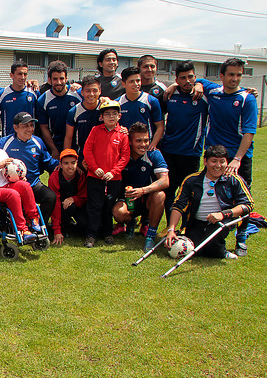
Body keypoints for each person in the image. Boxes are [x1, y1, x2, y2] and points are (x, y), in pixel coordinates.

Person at [195, 58, 257, 256]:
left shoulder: (248, 99)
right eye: (231, 74)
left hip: (239, 156)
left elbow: (249, 133)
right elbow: (201, 82)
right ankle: (204, 229)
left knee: (242, 197)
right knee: (209, 192)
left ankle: (241, 237)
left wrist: (237, 159)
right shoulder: (213, 92)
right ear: (222, 76)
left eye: (239, 75)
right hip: (214, 154)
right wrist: (197, 84)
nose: (235, 78)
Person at [165, 145, 253, 259]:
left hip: (222, 221)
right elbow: (178, 206)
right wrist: (171, 229)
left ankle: (221, 251)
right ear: (205, 161)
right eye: (214, 161)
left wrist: (222, 214)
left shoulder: (234, 180)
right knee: (197, 250)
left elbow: (248, 204)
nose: (218, 165)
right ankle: (215, 249)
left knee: (213, 244)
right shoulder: (191, 180)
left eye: (222, 161)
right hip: (197, 222)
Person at [159, 60, 208, 221]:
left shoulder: (204, 97)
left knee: (189, 191)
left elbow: (226, 90)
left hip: (190, 153)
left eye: (191, 77)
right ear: (176, 79)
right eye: (183, 78)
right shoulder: (169, 95)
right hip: (168, 151)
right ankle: (169, 224)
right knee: (169, 190)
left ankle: (186, 226)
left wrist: (200, 84)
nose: (187, 81)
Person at [112, 122, 168, 251]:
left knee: (160, 195)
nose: (143, 145)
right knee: (118, 212)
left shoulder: (153, 154)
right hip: (127, 200)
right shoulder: (122, 153)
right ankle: (130, 222)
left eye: (146, 140)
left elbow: (165, 181)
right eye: (138, 141)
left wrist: (143, 190)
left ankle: (150, 235)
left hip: (147, 199)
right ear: (130, 142)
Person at [0, 112, 58, 230]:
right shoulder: (4, 143)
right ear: (16, 128)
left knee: (50, 197)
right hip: (14, 186)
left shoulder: (38, 142)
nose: (30, 129)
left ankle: (40, 225)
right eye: (25, 126)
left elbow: (48, 162)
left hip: (34, 184)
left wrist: (61, 165)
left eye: (31, 125)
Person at [83, 100, 130, 247]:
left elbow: (125, 156)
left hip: (114, 178)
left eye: (114, 114)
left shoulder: (122, 134)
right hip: (94, 176)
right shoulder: (95, 130)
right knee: (94, 205)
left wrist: (114, 172)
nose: (111, 117)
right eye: (107, 114)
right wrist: (94, 167)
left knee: (109, 206)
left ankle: (107, 233)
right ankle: (91, 234)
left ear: (119, 116)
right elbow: (87, 150)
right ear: (101, 117)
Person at [36, 60, 82, 157]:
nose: (59, 82)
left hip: (78, 146)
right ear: (49, 80)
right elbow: (44, 128)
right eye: (55, 79)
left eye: (61, 78)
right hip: (56, 146)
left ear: (66, 78)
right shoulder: (43, 100)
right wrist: (53, 150)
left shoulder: (78, 93)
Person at [116, 67, 164, 151]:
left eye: (138, 81)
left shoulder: (151, 101)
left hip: (144, 148)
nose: (136, 84)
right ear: (123, 84)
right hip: (124, 149)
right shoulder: (118, 103)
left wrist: (153, 144)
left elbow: (160, 126)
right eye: (131, 81)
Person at [48, 149, 87, 245]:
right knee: (67, 206)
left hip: (77, 205)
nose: (70, 167)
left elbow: (84, 197)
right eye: (66, 163)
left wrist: (73, 199)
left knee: (85, 225)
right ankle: (61, 228)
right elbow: (55, 203)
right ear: (60, 164)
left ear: (77, 163)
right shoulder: (54, 177)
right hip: (61, 207)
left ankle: (72, 227)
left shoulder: (80, 175)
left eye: (73, 163)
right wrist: (57, 230)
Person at [63, 75, 102, 168]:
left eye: (95, 90)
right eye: (88, 91)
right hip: (81, 159)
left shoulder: (105, 108)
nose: (91, 94)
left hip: (102, 158)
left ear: (100, 91)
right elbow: (68, 137)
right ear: (82, 92)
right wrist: (67, 158)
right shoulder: (74, 111)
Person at [0, 61, 39, 136]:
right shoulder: (1, 94)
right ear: (11, 75)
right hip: (9, 138)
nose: (22, 77)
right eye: (19, 74)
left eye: (25, 74)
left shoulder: (33, 92)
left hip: (29, 138)